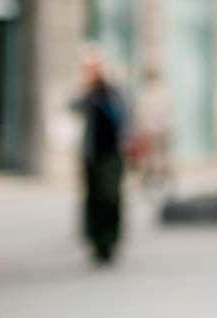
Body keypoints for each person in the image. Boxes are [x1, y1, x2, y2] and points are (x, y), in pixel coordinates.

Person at [70, 46, 128, 266]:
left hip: (111, 154)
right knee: (93, 199)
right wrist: (83, 87)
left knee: (110, 197)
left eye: (95, 67)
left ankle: (110, 240)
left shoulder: (113, 92)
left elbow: (124, 118)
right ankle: (96, 242)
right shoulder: (87, 93)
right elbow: (71, 106)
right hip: (92, 154)